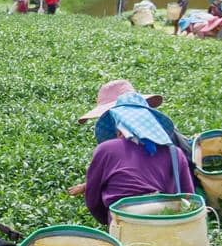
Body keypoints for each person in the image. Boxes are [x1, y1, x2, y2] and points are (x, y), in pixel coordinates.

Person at [70, 93, 196, 226]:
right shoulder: (175, 152)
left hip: (123, 222)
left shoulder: (106, 150)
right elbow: (189, 198)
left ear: (119, 124)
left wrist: (108, 219)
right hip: (167, 224)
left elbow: (93, 197)